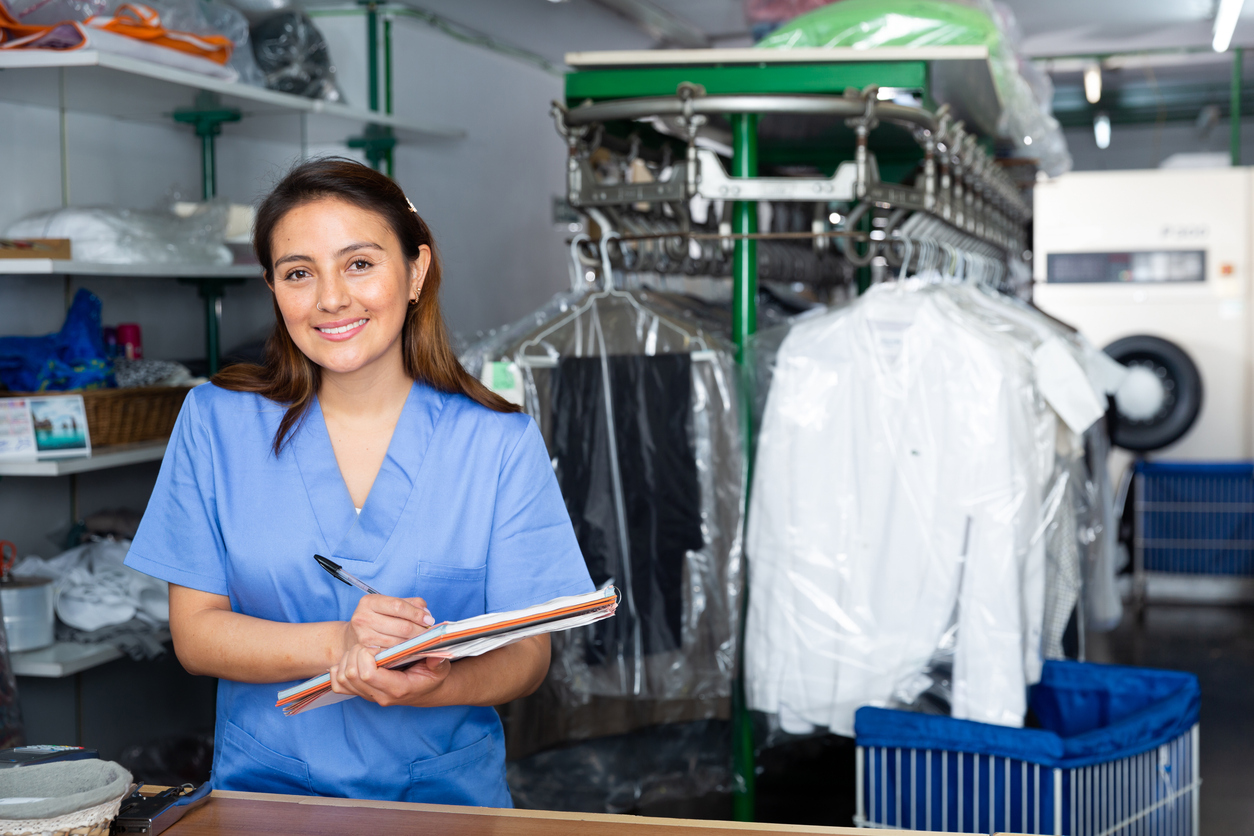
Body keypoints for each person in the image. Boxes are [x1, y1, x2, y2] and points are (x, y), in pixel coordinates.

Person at [124, 158, 594, 804]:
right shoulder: (216, 422)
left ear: (416, 272)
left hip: (444, 803)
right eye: (298, 273)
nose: (331, 299)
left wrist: (436, 683)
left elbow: (528, 655)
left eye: (360, 264)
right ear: (273, 287)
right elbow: (197, 634)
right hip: (268, 799)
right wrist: (340, 641)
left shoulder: (497, 442)